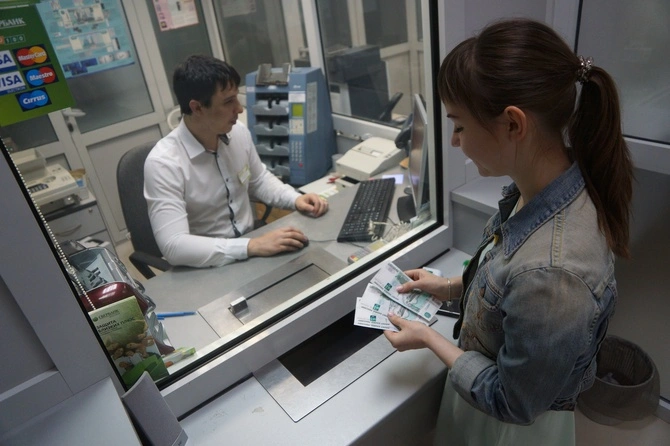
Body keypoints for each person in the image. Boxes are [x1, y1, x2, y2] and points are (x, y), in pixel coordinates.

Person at [383, 18, 633, 445]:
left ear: (513, 124)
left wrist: (427, 337)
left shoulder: (555, 275)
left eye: (460, 126)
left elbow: (512, 402)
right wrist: (449, 287)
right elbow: (506, 290)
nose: (455, 141)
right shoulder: (540, 187)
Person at [144, 55, 328, 268]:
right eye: (228, 102)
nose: (239, 109)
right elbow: (174, 246)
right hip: (205, 266)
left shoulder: (237, 132)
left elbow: (258, 180)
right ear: (197, 108)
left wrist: (295, 199)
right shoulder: (163, 164)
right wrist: (251, 246)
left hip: (251, 249)